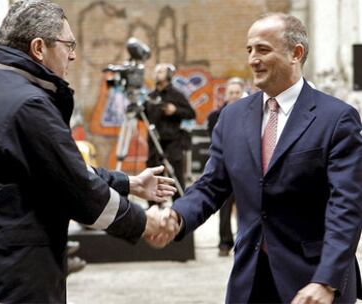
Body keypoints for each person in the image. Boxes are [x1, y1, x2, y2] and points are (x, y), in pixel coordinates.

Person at [0, 1, 178, 303]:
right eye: (68, 44)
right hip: (1, 282)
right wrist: (145, 222)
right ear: (39, 47)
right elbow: (79, 190)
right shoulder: (26, 104)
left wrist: (128, 183)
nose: (72, 54)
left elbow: (50, 172)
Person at [150, 13, 362, 303]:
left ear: (295, 54)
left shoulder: (337, 119)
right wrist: (177, 215)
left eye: (263, 49)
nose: (252, 59)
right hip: (250, 281)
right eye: (249, 50)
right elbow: (212, 185)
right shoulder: (232, 117)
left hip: (313, 282)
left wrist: (326, 280)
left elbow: (347, 207)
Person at [145, 63, 196, 202]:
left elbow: (191, 113)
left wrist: (175, 111)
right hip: (154, 141)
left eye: (160, 71)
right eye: (156, 71)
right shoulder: (150, 96)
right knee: (154, 175)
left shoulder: (176, 95)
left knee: (175, 176)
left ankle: (179, 208)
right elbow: (143, 115)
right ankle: (154, 207)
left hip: (173, 141)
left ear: (168, 75)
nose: (157, 74)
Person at [207, 77, 245, 257]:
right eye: (231, 93)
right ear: (226, 95)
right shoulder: (215, 116)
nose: (234, 96)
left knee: (246, 208)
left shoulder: (252, 114)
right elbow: (213, 143)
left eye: (238, 92)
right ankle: (224, 243)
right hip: (226, 168)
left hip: (246, 168)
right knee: (224, 208)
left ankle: (245, 242)